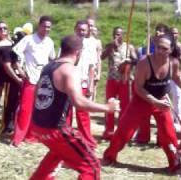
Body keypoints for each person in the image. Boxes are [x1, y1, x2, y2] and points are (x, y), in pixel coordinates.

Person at [103, 34, 181, 173]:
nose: (159, 51)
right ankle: (109, 157)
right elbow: (138, 88)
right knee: (124, 133)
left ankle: (175, 164)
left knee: (169, 136)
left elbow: (177, 77)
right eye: (158, 47)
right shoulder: (144, 63)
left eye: (164, 48)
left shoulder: (173, 62)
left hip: (161, 100)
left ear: (171, 49)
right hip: (141, 101)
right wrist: (154, 101)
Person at [29, 35, 120, 180]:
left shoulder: (48, 67)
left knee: (56, 156)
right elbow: (79, 102)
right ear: (79, 52)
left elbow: (36, 95)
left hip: (38, 126)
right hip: (56, 129)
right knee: (92, 167)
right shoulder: (70, 70)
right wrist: (107, 108)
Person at [11, 15, 55, 146]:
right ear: (39, 26)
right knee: (25, 109)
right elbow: (14, 53)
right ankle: (17, 138)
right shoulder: (29, 39)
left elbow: (52, 59)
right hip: (30, 79)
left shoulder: (50, 42)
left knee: (39, 110)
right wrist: (20, 70)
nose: (46, 29)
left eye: (49, 27)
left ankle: (31, 136)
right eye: (44, 26)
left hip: (43, 81)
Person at [135, 23, 170, 143]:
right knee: (144, 116)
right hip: (146, 86)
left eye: (161, 31)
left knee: (164, 119)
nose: (158, 33)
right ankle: (143, 137)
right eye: (157, 31)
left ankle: (163, 140)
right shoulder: (145, 48)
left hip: (161, 86)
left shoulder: (168, 49)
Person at [101, 26, 137, 139]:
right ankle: (109, 130)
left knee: (125, 106)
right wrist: (110, 47)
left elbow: (136, 60)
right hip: (112, 78)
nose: (117, 36)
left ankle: (122, 131)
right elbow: (102, 57)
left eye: (119, 34)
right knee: (109, 104)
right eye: (115, 34)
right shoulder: (109, 46)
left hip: (124, 79)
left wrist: (129, 61)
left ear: (123, 35)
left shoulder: (129, 47)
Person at [72, 20, 98, 149]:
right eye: (79, 30)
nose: (81, 32)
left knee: (83, 113)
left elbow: (92, 67)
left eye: (84, 30)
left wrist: (90, 84)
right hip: (69, 82)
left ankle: (87, 139)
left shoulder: (91, 44)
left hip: (82, 82)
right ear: (75, 29)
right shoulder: (68, 43)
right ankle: (67, 138)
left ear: (87, 31)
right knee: (67, 113)